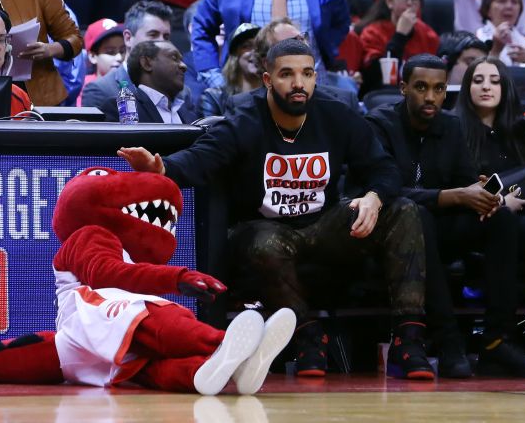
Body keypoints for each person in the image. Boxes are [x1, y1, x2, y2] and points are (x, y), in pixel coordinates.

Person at [119, 39, 435, 381]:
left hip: (325, 225)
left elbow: (385, 169)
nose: (298, 83)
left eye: (307, 74)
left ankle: (409, 340)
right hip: (264, 229)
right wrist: (161, 167)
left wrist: (374, 196)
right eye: (287, 74)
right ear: (268, 80)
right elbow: (201, 158)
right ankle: (307, 336)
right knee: (263, 242)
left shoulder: (337, 114)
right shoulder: (245, 118)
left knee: (403, 210)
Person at [366, 53, 525, 377]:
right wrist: (453, 195)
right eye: (420, 87)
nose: (430, 96)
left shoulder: (451, 124)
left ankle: (497, 342)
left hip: (440, 226)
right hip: (393, 231)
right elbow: (381, 190)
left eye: (438, 88)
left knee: (501, 218)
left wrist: (481, 193)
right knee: (417, 216)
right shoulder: (380, 124)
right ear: (403, 88)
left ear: (446, 91)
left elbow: (464, 181)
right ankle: (448, 342)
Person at [192, 0, 351, 89]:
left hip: (313, 87)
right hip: (249, 93)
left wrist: (324, 51)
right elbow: (201, 29)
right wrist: (214, 78)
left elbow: (341, 22)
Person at [455, 56, 525, 256]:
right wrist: (501, 202)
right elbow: (457, 189)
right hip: (483, 219)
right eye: (478, 81)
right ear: (467, 87)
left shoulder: (520, 131)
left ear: (505, 88)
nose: (486, 87)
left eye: (495, 81)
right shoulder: (455, 131)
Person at [253, 17, 362, 113]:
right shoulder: (244, 112)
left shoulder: (344, 103)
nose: (302, 44)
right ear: (267, 63)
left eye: (302, 38)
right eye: (292, 41)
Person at [81, 1, 173, 109]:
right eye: (153, 35)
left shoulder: (178, 90)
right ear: (128, 38)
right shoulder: (101, 91)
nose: (162, 43)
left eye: (166, 37)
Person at [356, 0, 439, 93]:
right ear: (389, 1)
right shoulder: (372, 33)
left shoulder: (429, 35)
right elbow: (374, 79)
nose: (410, 3)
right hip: (385, 96)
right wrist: (400, 36)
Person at [99, 41, 197, 124]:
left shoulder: (188, 114)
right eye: (174, 58)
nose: (184, 66)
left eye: (182, 60)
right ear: (146, 63)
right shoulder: (121, 107)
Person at [198, 23, 263, 117]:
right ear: (235, 56)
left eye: (259, 47)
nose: (255, 52)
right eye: (246, 46)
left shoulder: (275, 96)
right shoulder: (214, 98)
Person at [76, 18, 125, 107]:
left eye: (122, 51)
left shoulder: (132, 83)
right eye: (110, 52)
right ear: (93, 56)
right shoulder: (83, 87)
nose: (119, 57)